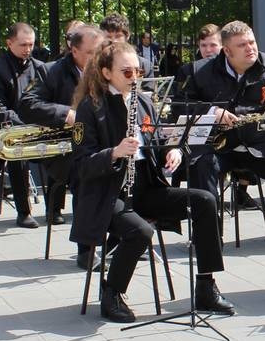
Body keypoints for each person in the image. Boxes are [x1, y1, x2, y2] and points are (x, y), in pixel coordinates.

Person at [69, 41, 235, 322]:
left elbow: (159, 141)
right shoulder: (91, 108)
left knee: (205, 200)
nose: (135, 78)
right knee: (141, 231)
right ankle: (112, 292)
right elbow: (81, 165)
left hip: (146, 188)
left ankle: (206, 286)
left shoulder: (143, 101)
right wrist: (115, 152)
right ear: (106, 72)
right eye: (127, 72)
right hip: (108, 195)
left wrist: (174, 151)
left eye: (138, 72)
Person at [185, 20, 265, 251]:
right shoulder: (200, 71)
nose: (250, 48)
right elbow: (181, 107)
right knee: (201, 166)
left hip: (262, 142)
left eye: (252, 42)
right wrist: (212, 112)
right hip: (219, 144)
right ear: (227, 51)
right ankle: (208, 241)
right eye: (242, 45)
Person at [18, 22, 102, 229]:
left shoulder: (106, 68)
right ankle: (86, 247)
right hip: (65, 148)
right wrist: (66, 113)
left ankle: (124, 240)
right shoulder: (50, 71)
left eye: (99, 52)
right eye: (91, 53)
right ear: (74, 50)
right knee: (87, 176)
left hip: (101, 142)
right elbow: (27, 104)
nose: (97, 58)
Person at [0, 22, 42, 227]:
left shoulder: (39, 67)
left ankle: (56, 209)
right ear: (9, 43)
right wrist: (22, 123)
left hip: (36, 125)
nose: (28, 49)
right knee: (18, 150)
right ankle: (23, 212)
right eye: (23, 45)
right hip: (5, 130)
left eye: (31, 44)